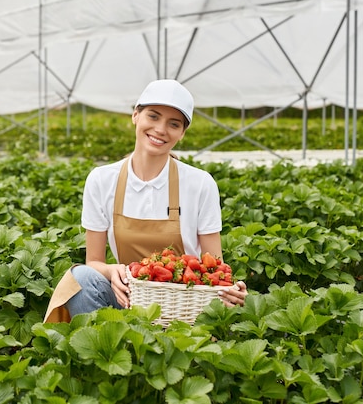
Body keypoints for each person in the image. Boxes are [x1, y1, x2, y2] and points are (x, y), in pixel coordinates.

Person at [44, 79, 247, 323]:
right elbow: (94, 261)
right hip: (127, 299)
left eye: (174, 124)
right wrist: (111, 270)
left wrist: (228, 289)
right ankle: (105, 346)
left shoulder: (200, 184)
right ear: (135, 116)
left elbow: (214, 265)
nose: (161, 129)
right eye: (153, 116)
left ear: (182, 134)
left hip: (183, 305)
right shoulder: (101, 180)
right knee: (81, 278)